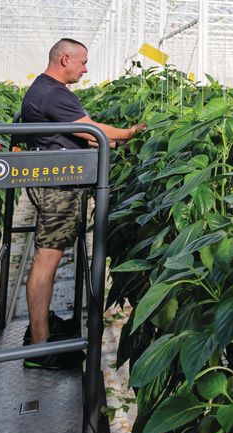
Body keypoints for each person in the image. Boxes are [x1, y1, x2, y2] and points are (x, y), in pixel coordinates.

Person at [18, 37, 145, 369]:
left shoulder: (43, 90)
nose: (86, 68)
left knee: (47, 258)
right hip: (57, 187)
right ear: (64, 60)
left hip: (54, 182)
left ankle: (40, 328)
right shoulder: (54, 93)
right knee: (46, 261)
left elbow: (82, 133)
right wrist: (130, 132)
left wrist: (101, 140)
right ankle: (40, 347)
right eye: (82, 62)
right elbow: (93, 130)